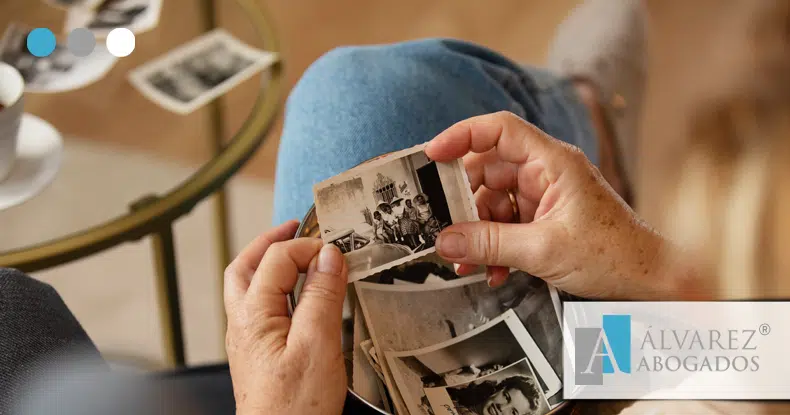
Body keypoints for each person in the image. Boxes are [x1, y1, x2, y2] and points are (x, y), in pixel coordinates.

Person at [447, 375, 543, 415]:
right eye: (506, 397)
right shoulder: (454, 399)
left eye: (513, 413)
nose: (502, 408)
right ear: (500, 388)